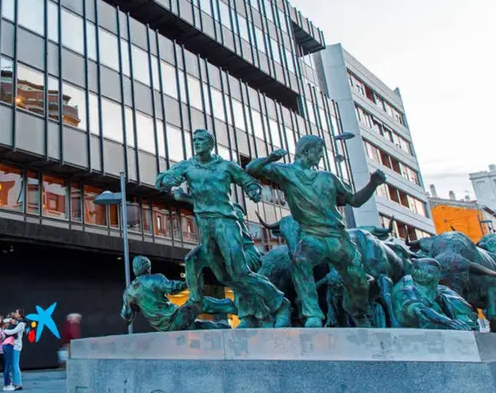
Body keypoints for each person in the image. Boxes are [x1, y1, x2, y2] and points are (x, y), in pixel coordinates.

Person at [247, 135, 387, 327]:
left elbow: (355, 201)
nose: (321, 155)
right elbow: (251, 168)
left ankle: (358, 312)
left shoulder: (328, 178)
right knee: (300, 261)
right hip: (311, 236)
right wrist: (270, 158)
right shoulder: (286, 173)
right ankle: (312, 314)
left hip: (338, 238)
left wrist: (373, 184)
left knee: (358, 280)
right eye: (319, 151)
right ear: (306, 151)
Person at [156, 129, 290, 327]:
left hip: (226, 222)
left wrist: (253, 191)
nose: (196, 142)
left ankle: (280, 304)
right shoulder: (187, 166)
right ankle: (257, 312)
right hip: (206, 226)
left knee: (239, 272)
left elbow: (248, 182)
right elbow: (162, 180)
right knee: (223, 276)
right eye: (194, 140)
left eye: (201, 140)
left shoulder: (226, 166)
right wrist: (167, 181)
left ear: (210, 144)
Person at [121, 256, 236, 331]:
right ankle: (236, 308)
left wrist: (137, 304)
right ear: (148, 268)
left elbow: (126, 318)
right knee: (201, 302)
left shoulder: (128, 292)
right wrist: (189, 282)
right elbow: (173, 288)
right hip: (174, 318)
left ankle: (224, 328)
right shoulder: (155, 279)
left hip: (163, 327)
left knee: (196, 326)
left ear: (135, 269)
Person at [4, 309, 26, 391]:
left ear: (20, 314)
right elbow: (5, 320)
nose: (15, 314)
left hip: (16, 346)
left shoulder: (21, 324)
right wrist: (10, 320)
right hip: (14, 345)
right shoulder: (18, 322)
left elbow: (13, 331)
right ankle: (15, 382)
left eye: (16, 313)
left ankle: (18, 383)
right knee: (13, 365)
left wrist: (4, 331)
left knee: (15, 365)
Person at [1, 315, 17, 391]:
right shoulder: (10, 328)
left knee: (7, 365)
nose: (13, 321)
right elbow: (16, 335)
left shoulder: (5, 328)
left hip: (4, 345)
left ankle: (8, 383)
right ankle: (6, 385)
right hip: (9, 346)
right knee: (8, 365)